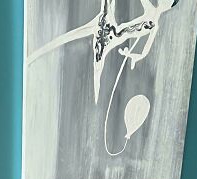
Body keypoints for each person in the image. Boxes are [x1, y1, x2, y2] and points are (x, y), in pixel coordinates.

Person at [27, 0, 181, 103]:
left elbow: (145, 50)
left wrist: (134, 56)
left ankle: (95, 101)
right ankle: (32, 58)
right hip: (106, 21)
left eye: (168, 0)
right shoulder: (149, 8)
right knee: (68, 38)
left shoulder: (154, 24)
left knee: (97, 72)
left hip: (111, 37)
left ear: (169, 6)